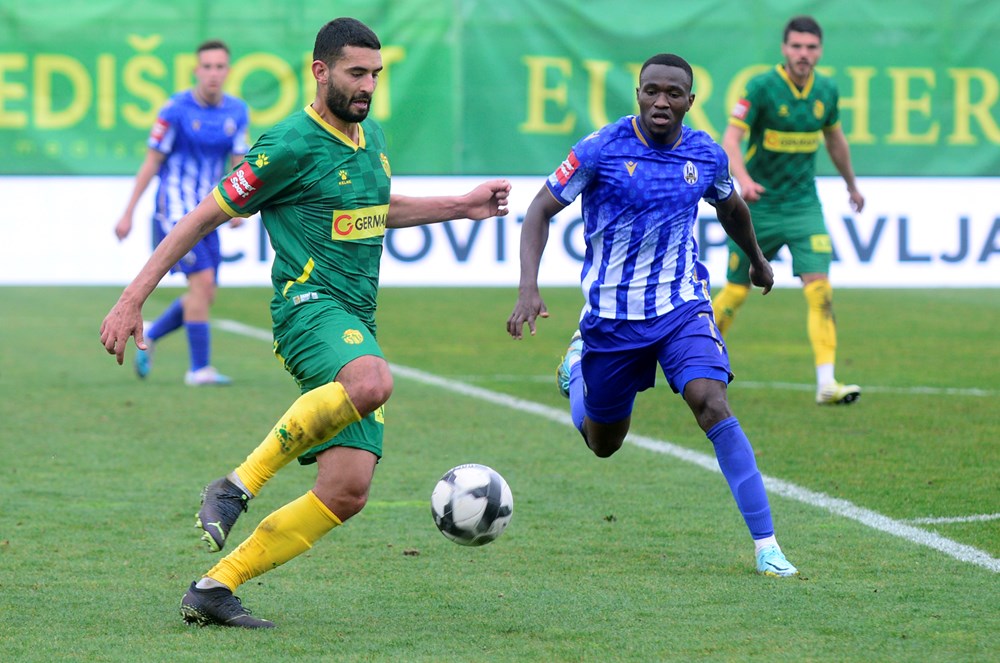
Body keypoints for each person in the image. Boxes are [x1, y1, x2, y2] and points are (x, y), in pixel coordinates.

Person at [100, 17, 511, 628]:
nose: (367, 86)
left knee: (347, 491)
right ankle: (236, 486)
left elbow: (373, 208)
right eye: (355, 73)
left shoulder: (370, 138)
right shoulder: (289, 143)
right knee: (372, 380)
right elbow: (202, 216)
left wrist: (460, 205)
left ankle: (214, 587)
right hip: (308, 308)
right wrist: (133, 297)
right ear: (320, 71)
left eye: (375, 74)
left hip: (356, 320)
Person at [507, 53, 798, 579]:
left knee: (711, 402)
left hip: (682, 307)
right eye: (651, 91)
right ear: (638, 94)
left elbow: (732, 207)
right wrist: (529, 287)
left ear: (689, 100)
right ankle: (577, 368)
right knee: (603, 443)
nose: (661, 101)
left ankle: (767, 545)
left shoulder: (705, 154)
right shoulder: (601, 149)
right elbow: (540, 210)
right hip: (613, 318)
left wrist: (757, 260)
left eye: (673, 93)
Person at [712, 15, 865, 406]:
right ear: (784, 49)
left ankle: (827, 383)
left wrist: (851, 185)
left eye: (810, 47)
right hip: (758, 208)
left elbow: (835, 141)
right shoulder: (761, 87)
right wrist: (743, 180)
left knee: (820, 290)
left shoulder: (826, 90)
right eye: (796, 46)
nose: (803, 54)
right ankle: (692, 359)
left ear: (820, 51)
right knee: (734, 293)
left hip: (803, 207)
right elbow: (731, 138)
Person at [114, 39, 249, 386]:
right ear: (196, 70)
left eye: (220, 67)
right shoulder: (175, 109)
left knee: (205, 293)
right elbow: (152, 161)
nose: (213, 73)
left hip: (210, 212)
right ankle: (199, 369)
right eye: (207, 66)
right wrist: (128, 212)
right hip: (174, 212)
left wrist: (240, 207)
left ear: (228, 71)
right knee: (201, 284)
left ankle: (152, 334)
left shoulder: (237, 111)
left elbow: (239, 162)